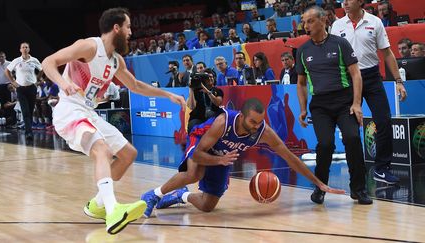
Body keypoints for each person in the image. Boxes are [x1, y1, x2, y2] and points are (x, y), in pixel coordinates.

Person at [41, 7, 186, 234]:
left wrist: (168, 95)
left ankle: (98, 204)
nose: (130, 32)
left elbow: (136, 86)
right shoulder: (89, 46)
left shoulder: (116, 61)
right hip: (69, 110)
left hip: (88, 112)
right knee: (102, 151)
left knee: (129, 154)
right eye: (128, 27)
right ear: (116, 28)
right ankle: (112, 210)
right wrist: (63, 83)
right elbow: (48, 62)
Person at [140, 98, 345, 217]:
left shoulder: (263, 132)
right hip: (201, 142)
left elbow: (290, 158)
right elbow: (200, 154)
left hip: (223, 155)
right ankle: (153, 194)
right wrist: (219, 160)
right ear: (242, 115)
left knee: (207, 206)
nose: (257, 126)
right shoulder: (223, 122)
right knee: (195, 172)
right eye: (253, 122)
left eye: (260, 122)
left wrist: (318, 183)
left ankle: (180, 195)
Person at [297, 6, 372, 205]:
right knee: (326, 144)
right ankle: (320, 187)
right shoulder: (303, 50)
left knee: (352, 138)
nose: (306, 26)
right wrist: (303, 109)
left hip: (344, 102)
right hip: (320, 105)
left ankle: (359, 189)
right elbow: (301, 83)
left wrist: (356, 104)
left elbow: (356, 74)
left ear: (323, 21)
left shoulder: (340, 44)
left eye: (310, 21)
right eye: (304, 22)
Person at [331, 0, 407, 184]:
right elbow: (332, 56)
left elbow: (387, 53)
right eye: (343, 1)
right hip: (348, 79)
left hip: (372, 77)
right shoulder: (337, 25)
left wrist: (398, 81)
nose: (345, 3)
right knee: (350, 128)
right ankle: (356, 170)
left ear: (360, 2)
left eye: (349, 0)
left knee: (384, 120)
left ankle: (381, 168)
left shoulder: (375, 22)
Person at [5, 42, 43, 140]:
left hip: (32, 88)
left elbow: (42, 69)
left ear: (29, 49)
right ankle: (28, 133)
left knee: (30, 111)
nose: (25, 49)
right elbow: (7, 71)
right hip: (21, 89)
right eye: (23, 47)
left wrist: (37, 79)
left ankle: (29, 129)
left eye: (26, 47)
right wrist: (13, 82)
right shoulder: (17, 60)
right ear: (20, 50)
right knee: (25, 111)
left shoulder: (34, 60)